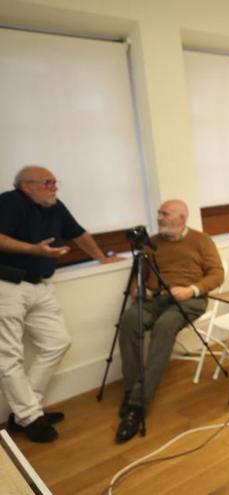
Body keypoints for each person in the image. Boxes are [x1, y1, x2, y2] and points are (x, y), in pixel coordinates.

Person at [0, 165, 120, 443]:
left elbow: (78, 233)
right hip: (6, 286)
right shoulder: (7, 203)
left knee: (58, 342)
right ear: (26, 186)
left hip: (40, 284)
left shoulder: (55, 206)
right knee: (9, 356)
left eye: (55, 183)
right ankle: (31, 416)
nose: (54, 188)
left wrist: (102, 258)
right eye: (48, 183)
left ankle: (24, 412)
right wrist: (34, 249)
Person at [114, 199, 223, 443]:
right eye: (159, 213)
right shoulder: (151, 243)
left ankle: (137, 406)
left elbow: (217, 274)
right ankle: (132, 390)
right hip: (157, 298)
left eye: (165, 214)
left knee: (164, 326)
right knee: (130, 320)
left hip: (189, 299)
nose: (160, 217)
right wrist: (139, 290)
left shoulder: (201, 241)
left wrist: (192, 289)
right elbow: (137, 277)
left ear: (181, 218)